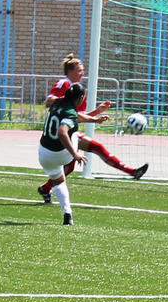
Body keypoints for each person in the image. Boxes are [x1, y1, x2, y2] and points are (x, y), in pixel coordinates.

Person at [37, 53, 148, 203]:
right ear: (70, 71)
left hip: (70, 131)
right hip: (60, 135)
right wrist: (66, 99)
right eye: (79, 70)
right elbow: (49, 101)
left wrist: (97, 112)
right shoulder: (64, 84)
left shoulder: (78, 90)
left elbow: (77, 116)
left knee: (91, 152)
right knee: (81, 157)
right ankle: (132, 172)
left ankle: (46, 188)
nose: (82, 73)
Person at [38, 82, 88, 225]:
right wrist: (75, 154)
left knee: (59, 181)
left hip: (44, 154)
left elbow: (75, 116)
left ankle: (68, 214)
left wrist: (95, 118)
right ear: (81, 98)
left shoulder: (56, 103)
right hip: (61, 154)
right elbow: (62, 132)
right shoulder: (70, 113)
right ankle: (67, 213)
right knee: (75, 134)